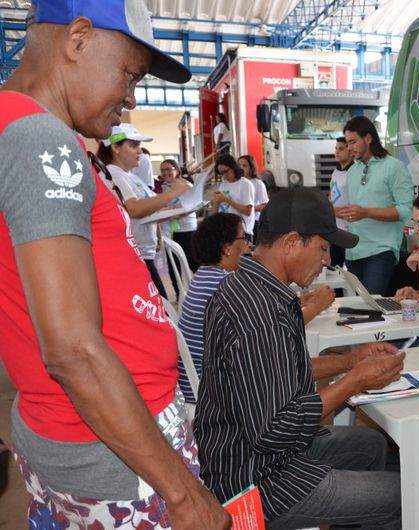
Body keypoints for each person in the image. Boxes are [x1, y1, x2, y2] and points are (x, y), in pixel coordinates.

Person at [0, 1, 230, 528]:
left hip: (90, 436)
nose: (131, 98)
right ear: (78, 39)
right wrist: (184, 495)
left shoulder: (20, 129)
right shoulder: (40, 140)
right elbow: (74, 351)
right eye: (129, 74)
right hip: (117, 453)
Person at [195, 187, 404, 529]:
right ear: (292, 242)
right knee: (403, 494)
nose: (326, 260)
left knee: (369, 445)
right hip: (256, 479)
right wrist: (355, 382)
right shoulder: (260, 313)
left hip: (252, 454)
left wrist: (350, 362)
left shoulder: (253, 286)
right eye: (323, 248)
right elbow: (275, 429)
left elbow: (277, 372)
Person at [97, 123, 190, 298]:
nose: (140, 151)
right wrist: (171, 195)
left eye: (139, 146)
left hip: (143, 254)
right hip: (132, 256)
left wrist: (177, 209)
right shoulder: (113, 174)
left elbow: (151, 208)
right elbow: (133, 209)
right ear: (115, 147)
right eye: (133, 146)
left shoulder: (131, 177)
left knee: (160, 306)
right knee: (160, 308)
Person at [177, 213, 249, 404]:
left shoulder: (203, 274)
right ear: (227, 247)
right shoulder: (226, 284)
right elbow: (269, 327)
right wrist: (315, 307)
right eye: (243, 238)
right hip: (211, 393)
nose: (247, 245)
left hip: (191, 384)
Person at [341, 116, 413, 296]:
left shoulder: (394, 167)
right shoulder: (352, 171)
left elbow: (405, 210)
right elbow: (355, 211)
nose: (349, 148)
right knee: (359, 309)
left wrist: (365, 212)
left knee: (372, 308)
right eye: (347, 143)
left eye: (353, 142)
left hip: (380, 251)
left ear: (368, 138)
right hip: (353, 252)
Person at [160, 158, 199, 300]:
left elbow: (194, 205)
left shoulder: (186, 185)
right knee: (173, 264)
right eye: (163, 170)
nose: (166, 173)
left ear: (176, 170)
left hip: (187, 229)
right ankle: (178, 293)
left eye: (169, 169)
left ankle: (201, 291)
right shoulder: (164, 187)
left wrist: (178, 212)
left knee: (192, 262)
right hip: (170, 231)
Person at [212, 154, 255, 238]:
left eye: (226, 171)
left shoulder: (245, 184)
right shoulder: (223, 185)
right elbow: (215, 213)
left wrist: (226, 199)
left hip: (242, 232)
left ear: (233, 167)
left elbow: (248, 211)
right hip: (226, 230)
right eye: (221, 173)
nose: (224, 176)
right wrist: (216, 202)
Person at [328, 136, 353, 267]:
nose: (337, 152)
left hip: (349, 230)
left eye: (341, 148)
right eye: (336, 148)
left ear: (350, 150)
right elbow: (332, 195)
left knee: (350, 269)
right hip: (335, 229)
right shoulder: (336, 171)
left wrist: (336, 211)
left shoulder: (354, 172)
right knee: (333, 269)